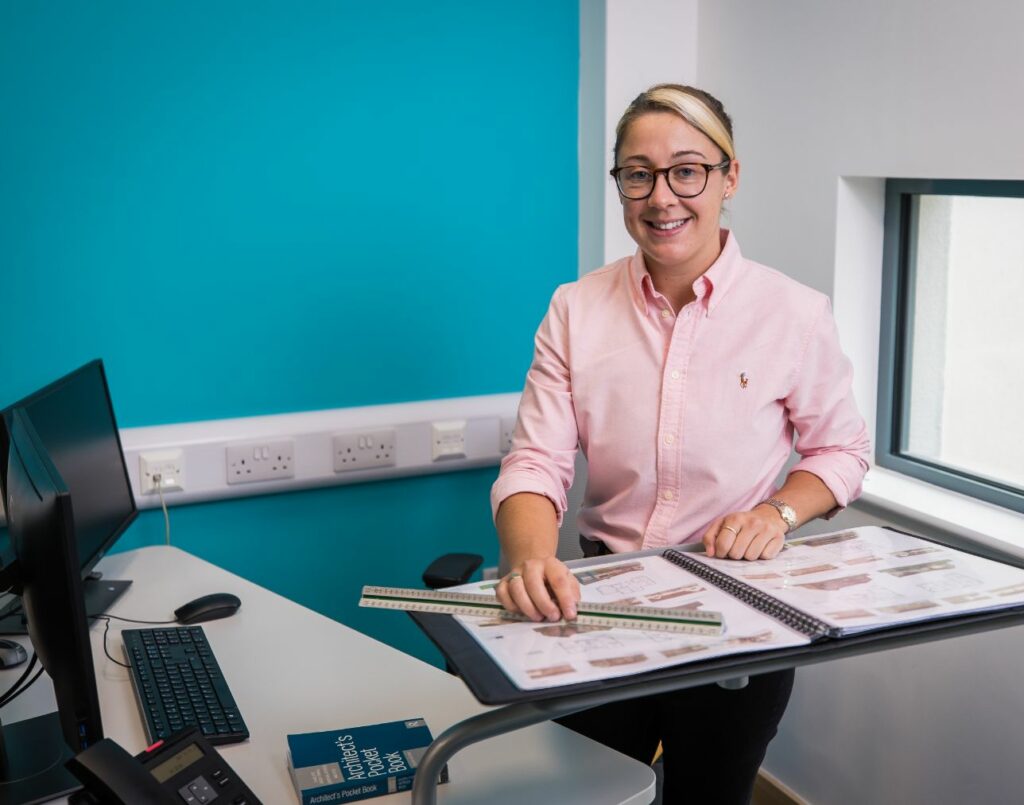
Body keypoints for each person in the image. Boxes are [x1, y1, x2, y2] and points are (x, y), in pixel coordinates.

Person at [489, 84, 870, 804]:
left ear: (730, 177)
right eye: (639, 173)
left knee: (710, 794)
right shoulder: (575, 309)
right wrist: (532, 556)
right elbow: (535, 461)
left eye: (687, 170)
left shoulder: (794, 312)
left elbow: (842, 450)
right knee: (593, 791)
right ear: (622, 185)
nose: (662, 197)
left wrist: (777, 515)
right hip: (598, 610)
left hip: (738, 614)